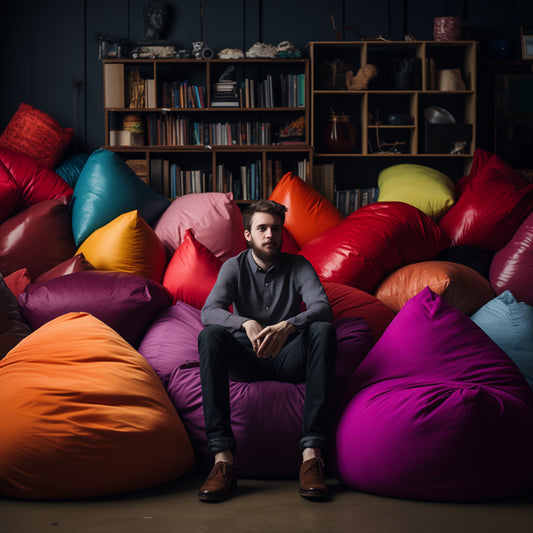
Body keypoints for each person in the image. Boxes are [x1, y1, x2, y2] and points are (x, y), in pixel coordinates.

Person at [197, 199, 337, 502]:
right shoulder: (233, 267)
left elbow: (322, 308)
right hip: (245, 358)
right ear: (248, 235)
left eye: (275, 228)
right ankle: (222, 461)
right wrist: (244, 322)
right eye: (262, 228)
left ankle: (312, 457)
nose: (270, 234)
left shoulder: (298, 265)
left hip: (288, 357)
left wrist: (288, 325)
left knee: (322, 330)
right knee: (210, 336)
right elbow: (209, 312)